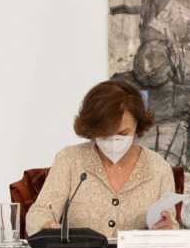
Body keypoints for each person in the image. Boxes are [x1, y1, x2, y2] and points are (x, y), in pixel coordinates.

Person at [26, 80, 179, 238]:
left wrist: (167, 229)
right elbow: (39, 214)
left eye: (123, 133)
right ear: (92, 129)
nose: (113, 141)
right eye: (105, 134)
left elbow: (171, 226)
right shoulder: (69, 160)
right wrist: (48, 226)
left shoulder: (158, 168)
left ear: (138, 125)